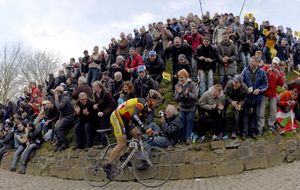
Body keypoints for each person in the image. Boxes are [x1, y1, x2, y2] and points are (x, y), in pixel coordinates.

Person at [103, 89, 163, 180]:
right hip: (117, 116)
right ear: (150, 100)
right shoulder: (142, 103)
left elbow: (141, 121)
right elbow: (134, 116)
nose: (157, 104)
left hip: (126, 119)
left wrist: (146, 130)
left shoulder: (147, 108)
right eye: (156, 102)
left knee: (138, 136)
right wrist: (145, 128)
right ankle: (108, 166)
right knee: (122, 143)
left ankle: (125, 156)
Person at [139, 104, 182, 170]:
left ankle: (144, 161)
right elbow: (164, 129)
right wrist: (158, 132)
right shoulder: (170, 117)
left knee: (149, 140)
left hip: (169, 139)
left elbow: (169, 133)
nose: (165, 114)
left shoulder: (177, 121)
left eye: (167, 113)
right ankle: (144, 135)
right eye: (165, 113)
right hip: (163, 133)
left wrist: (164, 123)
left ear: (171, 113)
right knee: (153, 124)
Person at [241, 56, 268, 139]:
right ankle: (244, 133)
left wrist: (259, 90)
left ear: (257, 63)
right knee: (245, 114)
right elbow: (241, 81)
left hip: (257, 97)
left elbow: (265, 84)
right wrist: (246, 88)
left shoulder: (262, 72)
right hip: (247, 97)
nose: (251, 63)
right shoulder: (245, 70)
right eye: (250, 61)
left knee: (255, 115)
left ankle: (252, 132)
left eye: (253, 61)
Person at [260, 57, 285, 133]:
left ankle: (271, 125)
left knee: (273, 111)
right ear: (272, 62)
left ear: (278, 65)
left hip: (273, 93)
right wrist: (267, 72)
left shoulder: (279, 72)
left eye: (276, 64)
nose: (274, 65)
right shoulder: (265, 67)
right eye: (274, 63)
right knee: (261, 111)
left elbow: (281, 84)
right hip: (264, 92)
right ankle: (260, 126)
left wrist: (279, 75)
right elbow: (260, 77)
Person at [174, 69, 198, 145]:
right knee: (182, 121)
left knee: (189, 120)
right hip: (183, 106)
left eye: (182, 77)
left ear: (186, 77)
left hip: (192, 106)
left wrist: (187, 93)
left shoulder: (192, 84)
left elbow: (195, 96)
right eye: (179, 77)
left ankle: (188, 138)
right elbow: (176, 98)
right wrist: (179, 93)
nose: (180, 79)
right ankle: (182, 137)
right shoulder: (177, 85)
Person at [92, 81, 117, 147]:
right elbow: (98, 103)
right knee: (97, 124)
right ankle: (100, 141)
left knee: (103, 125)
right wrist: (95, 105)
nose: (93, 88)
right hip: (102, 113)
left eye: (94, 87)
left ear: (99, 87)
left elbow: (112, 106)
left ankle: (104, 143)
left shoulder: (107, 94)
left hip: (111, 113)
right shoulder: (95, 94)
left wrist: (103, 113)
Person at [53, 86, 75, 152]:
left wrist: (56, 100)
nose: (55, 94)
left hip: (69, 117)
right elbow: (61, 112)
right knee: (56, 127)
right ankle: (58, 143)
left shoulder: (64, 98)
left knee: (59, 129)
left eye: (56, 92)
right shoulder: (61, 98)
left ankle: (65, 143)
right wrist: (59, 119)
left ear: (59, 92)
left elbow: (59, 107)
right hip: (65, 117)